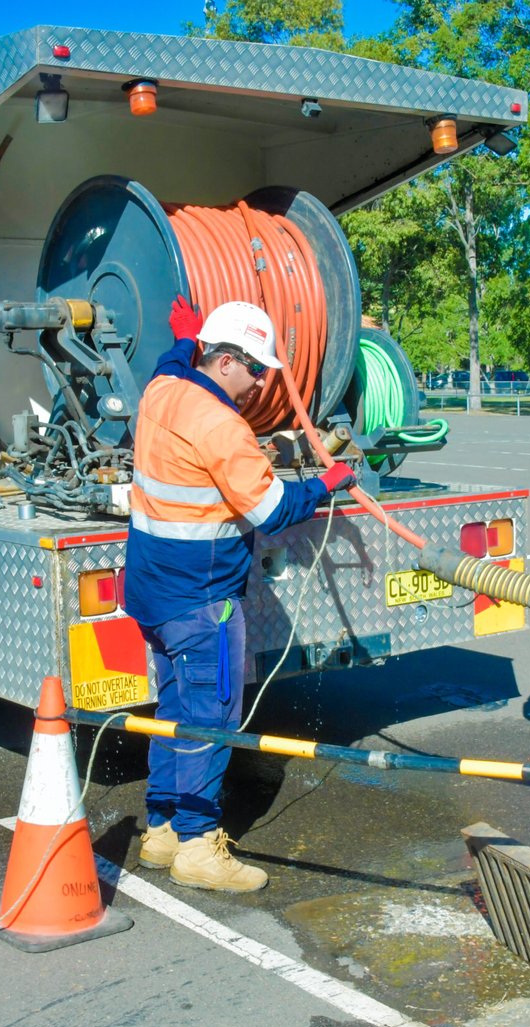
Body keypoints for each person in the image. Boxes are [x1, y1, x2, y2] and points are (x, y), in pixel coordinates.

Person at [125, 296, 354, 892]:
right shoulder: (221, 425)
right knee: (212, 716)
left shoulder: (163, 392)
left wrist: (182, 337)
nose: (258, 384)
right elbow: (273, 511)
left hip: (154, 593)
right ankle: (199, 845)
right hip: (202, 601)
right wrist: (330, 483)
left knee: (174, 712)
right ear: (224, 360)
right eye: (254, 369)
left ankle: (162, 828)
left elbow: (170, 365)